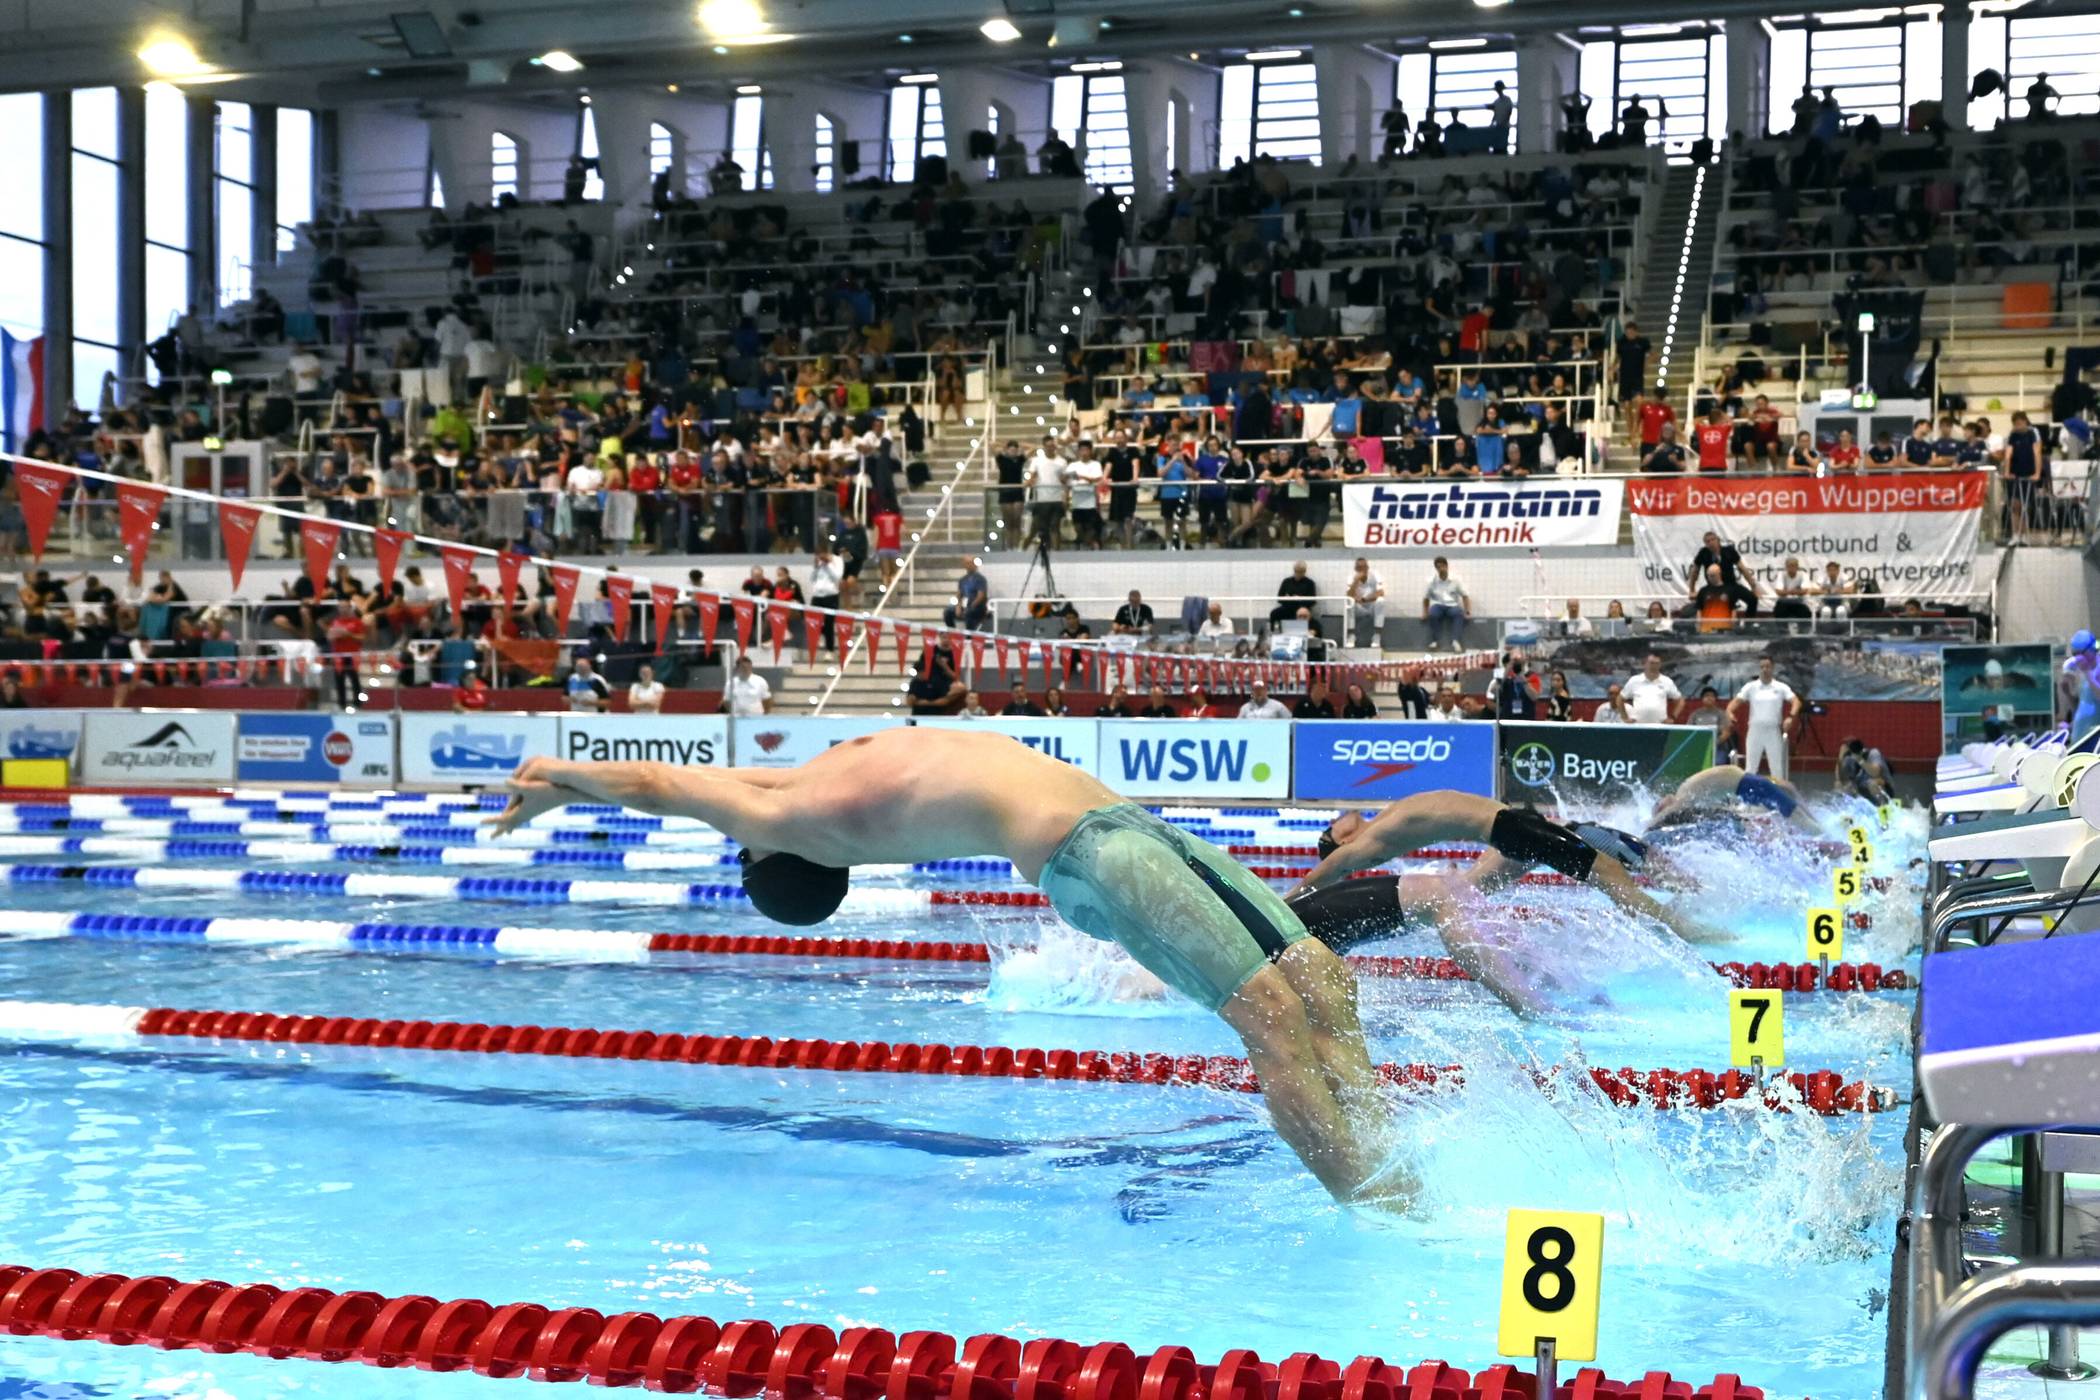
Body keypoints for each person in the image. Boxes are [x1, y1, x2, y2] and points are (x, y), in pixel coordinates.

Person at [490, 729, 1408, 1204]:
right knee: (1273, 1018)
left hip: (1128, 823)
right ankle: (1371, 1201)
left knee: (1324, 978)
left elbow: (707, 782)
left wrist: (551, 785)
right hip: (1089, 853)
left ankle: (1383, 1150)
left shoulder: (797, 789)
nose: (741, 834)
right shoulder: (794, 817)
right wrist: (556, 773)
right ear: (784, 859)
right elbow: (663, 787)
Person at [1286, 793, 1727, 1016]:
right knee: (1612, 877)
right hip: (1515, 829)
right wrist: (1286, 903)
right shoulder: (1368, 841)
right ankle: (1683, 930)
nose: (1337, 820)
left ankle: (1548, 974)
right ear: (1341, 840)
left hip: (1511, 830)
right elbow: (1331, 869)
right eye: (1333, 829)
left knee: (1472, 890)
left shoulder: (1381, 821)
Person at [1650, 764, 1819, 834]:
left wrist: (1647, 828)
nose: (1661, 801)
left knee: (1802, 821)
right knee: (1794, 808)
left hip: (1752, 787)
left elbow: (1666, 815)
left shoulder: (1684, 795)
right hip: (1751, 785)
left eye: (1659, 804)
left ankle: (1825, 835)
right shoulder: (1688, 792)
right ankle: (1819, 825)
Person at [1729, 655, 1801, 780]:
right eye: (1762, 667)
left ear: (1772, 668)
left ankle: (1778, 790)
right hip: (1755, 730)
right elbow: (1735, 702)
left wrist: (1791, 717)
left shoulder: (1780, 687)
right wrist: (1729, 711)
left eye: (1767, 666)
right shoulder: (1751, 687)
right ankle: (1749, 791)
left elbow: (1796, 702)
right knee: (1751, 767)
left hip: (1773, 730)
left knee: (1776, 768)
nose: (1764, 669)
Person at [1687, 530, 1759, 616]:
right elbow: (1694, 572)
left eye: (1713, 539)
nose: (1711, 543)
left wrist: (1753, 586)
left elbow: (1742, 568)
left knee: (1753, 599)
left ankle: (1749, 622)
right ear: (1705, 544)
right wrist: (1692, 590)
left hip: (1731, 585)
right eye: (1707, 541)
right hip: (1713, 588)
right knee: (1704, 602)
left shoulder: (1729, 551)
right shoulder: (1703, 553)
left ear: (1718, 540)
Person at [1421, 557, 1469, 652]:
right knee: (1433, 614)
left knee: (1458, 614)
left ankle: (1455, 641)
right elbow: (1426, 598)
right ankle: (1435, 641)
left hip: (1452, 605)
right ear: (1436, 568)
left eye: (1442, 566)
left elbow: (1465, 596)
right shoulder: (1431, 581)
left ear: (1447, 566)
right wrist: (1425, 613)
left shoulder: (1455, 580)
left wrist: (1467, 611)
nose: (1441, 569)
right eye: (1438, 567)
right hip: (1438, 605)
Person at [1621, 653, 1683, 724]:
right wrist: (1625, 718)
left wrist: (1673, 717)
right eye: (1651, 663)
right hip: (1638, 726)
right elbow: (1620, 700)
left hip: (1660, 726)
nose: (1654, 666)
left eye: (1657, 664)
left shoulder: (1667, 681)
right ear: (1645, 664)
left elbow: (1680, 701)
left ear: (1660, 665)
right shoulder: (1634, 680)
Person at [1836, 737, 1895, 804]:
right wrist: (1841, 757)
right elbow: (1842, 778)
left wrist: (1860, 760)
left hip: (1884, 788)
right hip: (1862, 789)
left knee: (1873, 783)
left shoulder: (1873, 753)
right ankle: (1852, 806)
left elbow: (1875, 773)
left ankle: (1885, 806)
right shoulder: (1849, 759)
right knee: (1841, 785)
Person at [1685, 685, 1734, 764]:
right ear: (1702, 699)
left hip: (1718, 747)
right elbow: (1688, 731)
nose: (1709, 698)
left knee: (1717, 763)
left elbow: (1726, 733)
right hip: (1698, 746)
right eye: (1707, 696)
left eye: (1712, 696)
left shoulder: (1721, 713)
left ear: (1715, 699)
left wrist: (1712, 744)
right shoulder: (1695, 714)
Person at [1346, 559, 1386, 649]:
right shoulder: (1351, 577)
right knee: (1349, 601)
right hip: (1358, 608)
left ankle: (1377, 636)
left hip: (1371, 606)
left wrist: (1364, 599)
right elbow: (1349, 595)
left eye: (1364, 567)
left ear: (1368, 568)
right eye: (1359, 568)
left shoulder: (1375, 575)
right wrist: (1356, 581)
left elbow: (1381, 592)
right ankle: (1351, 635)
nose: (1362, 570)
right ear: (1355, 569)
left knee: (1381, 601)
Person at [943, 557, 990, 632]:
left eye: (971, 563)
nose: (969, 565)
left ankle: (969, 635)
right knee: (948, 611)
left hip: (977, 607)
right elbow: (959, 595)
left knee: (969, 612)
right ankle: (952, 632)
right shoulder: (963, 579)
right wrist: (958, 607)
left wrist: (970, 606)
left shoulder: (980, 579)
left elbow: (981, 596)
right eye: (967, 563)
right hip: (965, 605)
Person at [722, 653, 772, 717]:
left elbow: (767, 700)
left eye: (748, 667)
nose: (746, 669)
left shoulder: (760, 681)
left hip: (756, 717)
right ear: (737, 668)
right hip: (737, 718)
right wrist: (734, 712)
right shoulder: (730, 683)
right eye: (743, 667)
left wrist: (764, 716)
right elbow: (726, 702)